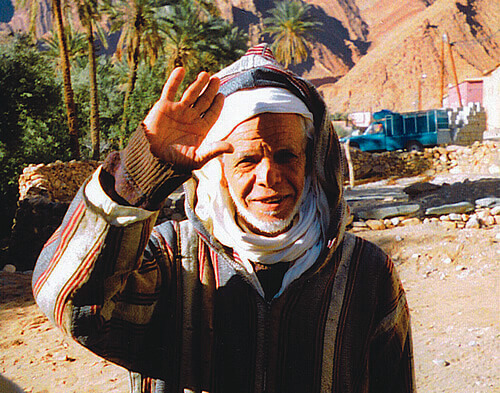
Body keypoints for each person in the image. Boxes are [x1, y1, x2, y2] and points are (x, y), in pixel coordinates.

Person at [32, 44, 415, 393]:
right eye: (247, 159)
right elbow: (70, 304)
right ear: (216, 169)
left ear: (310, 160)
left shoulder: (365, 272)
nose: (269, 177)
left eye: (286, 155)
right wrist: (135, 177)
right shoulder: (169, 260)